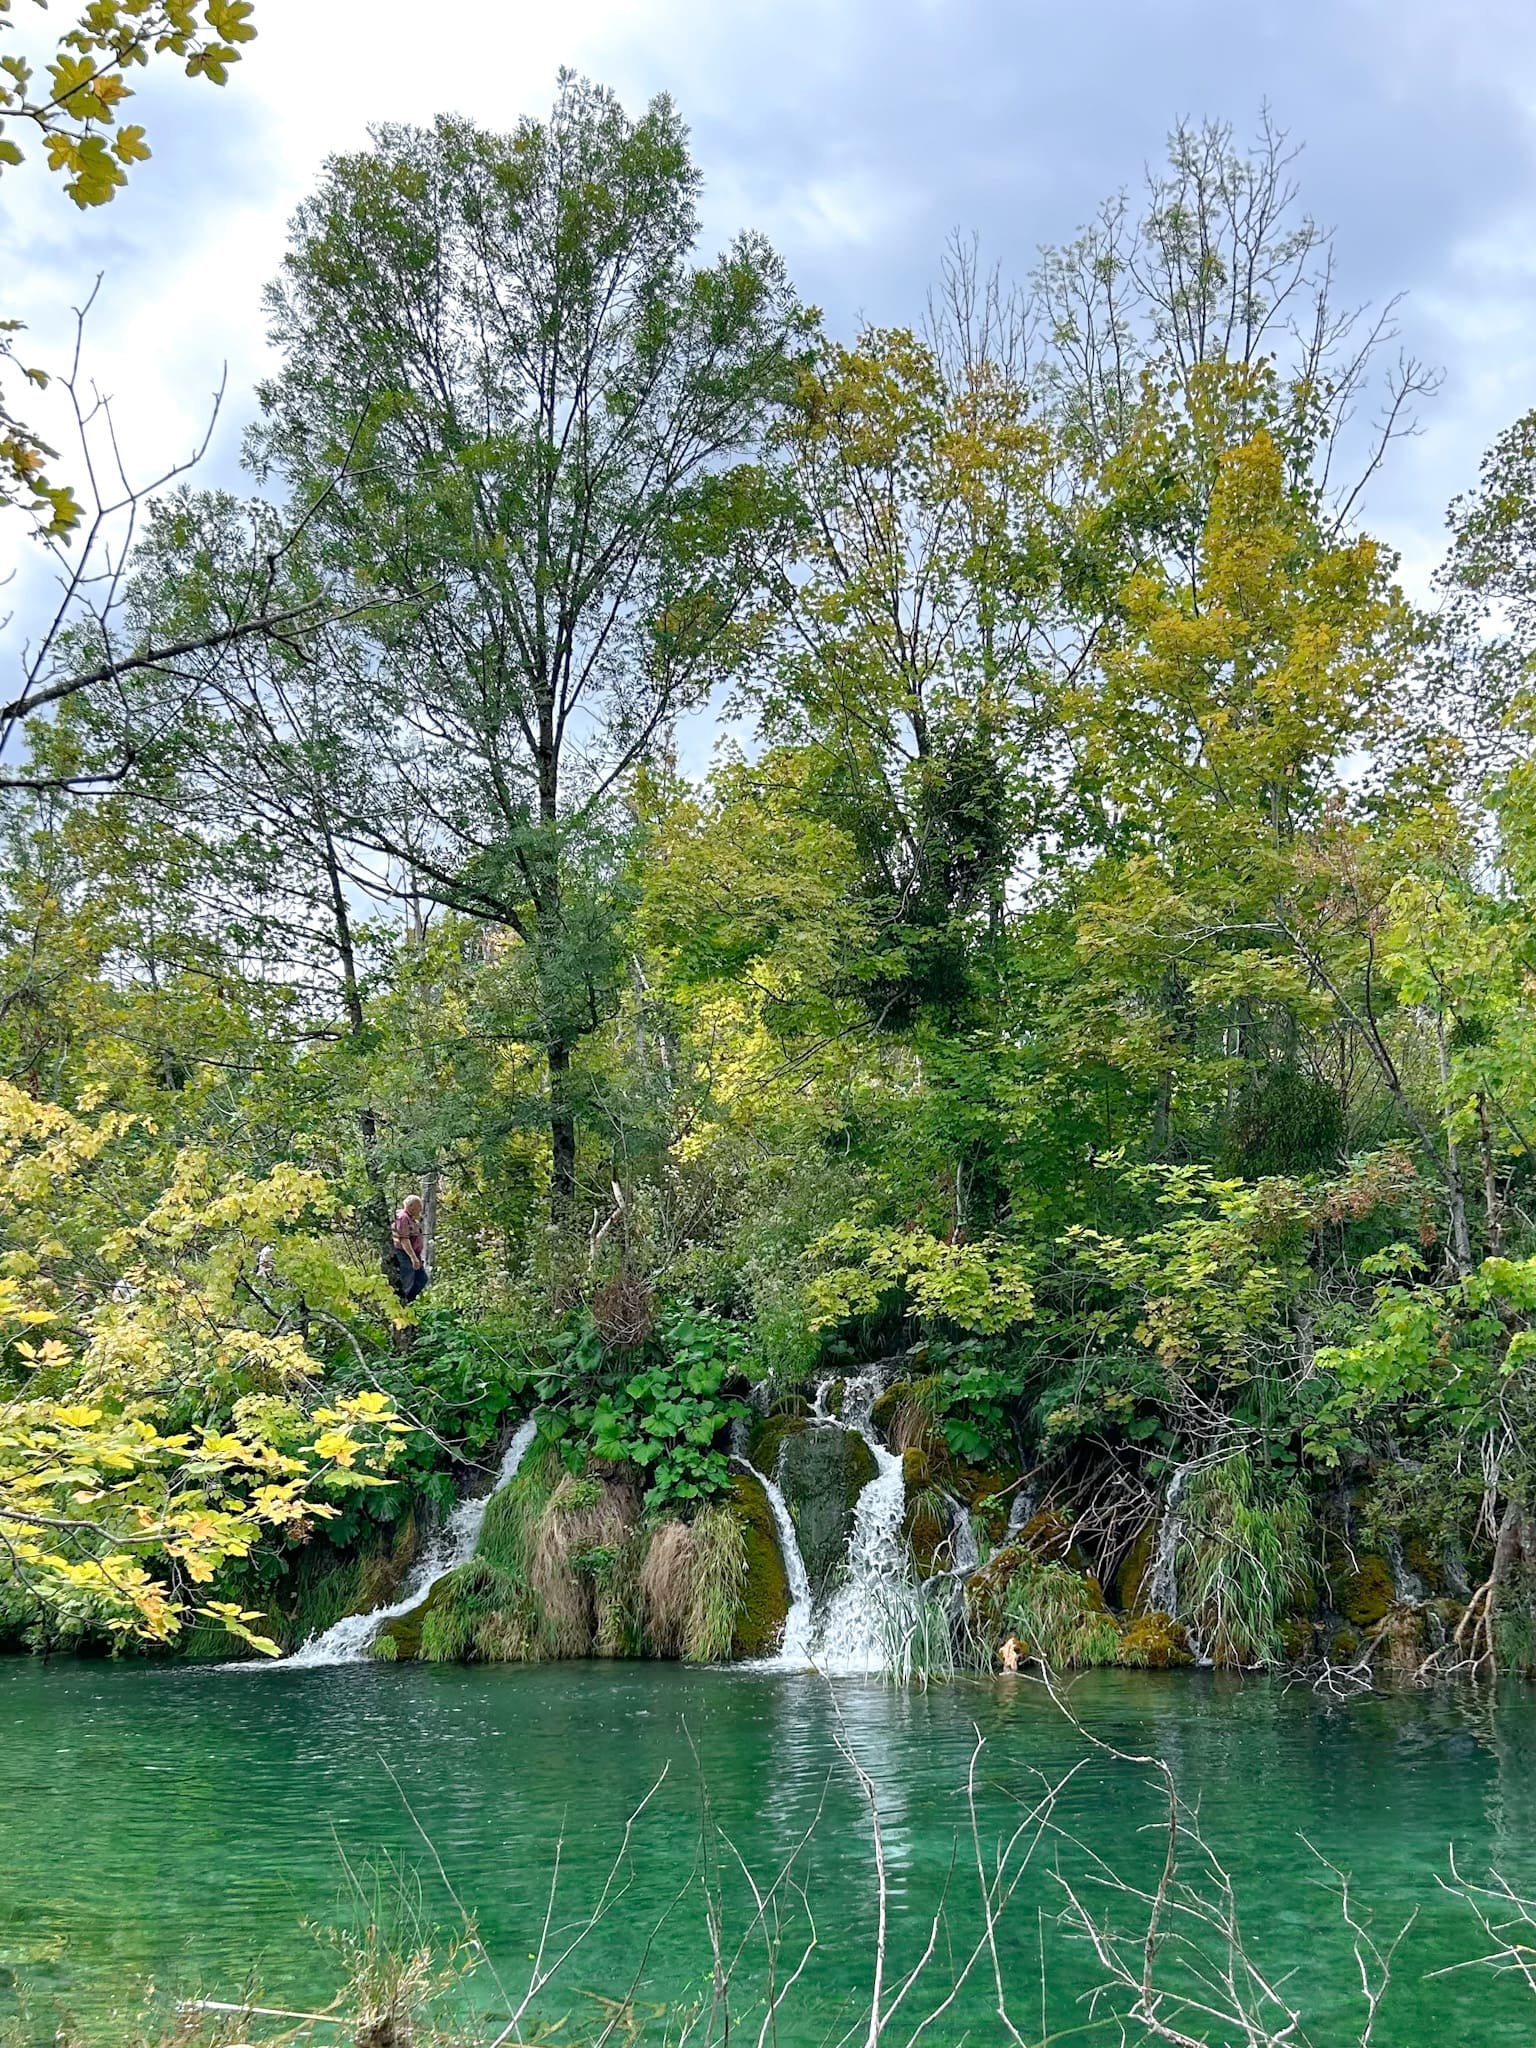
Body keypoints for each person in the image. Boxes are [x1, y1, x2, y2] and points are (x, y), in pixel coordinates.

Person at [390, 1193, 429, 1303]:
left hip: (412, 1253)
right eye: (419, 1207)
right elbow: (404, 1239)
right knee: (407, 1278)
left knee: (421, 1279)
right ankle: (400, 1303)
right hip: (403, 1253)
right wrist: (413, 1257)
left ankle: (407, 1301)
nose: (420, 1210)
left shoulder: (411, 1218)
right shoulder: (403, 1217)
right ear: (411, 1206)